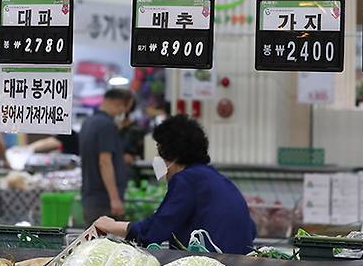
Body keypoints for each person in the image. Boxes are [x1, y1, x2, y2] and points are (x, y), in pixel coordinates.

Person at [94, 115, 256, 254]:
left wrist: (112, 225)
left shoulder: (186, 180)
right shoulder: (214, 178)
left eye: (159, 150)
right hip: (236, 264)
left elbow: (155, 231)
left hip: (214, 265)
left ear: (171, 152)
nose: (157, 157)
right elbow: (251, 229)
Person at [80, 88, 134, 226]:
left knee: (93, 244)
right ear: (118, 103)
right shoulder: (106, 126)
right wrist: (114, 198)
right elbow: (105, 162)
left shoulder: (88, 122)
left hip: (90, 197)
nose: (123, 112)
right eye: (125, 108)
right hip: (104, 200)